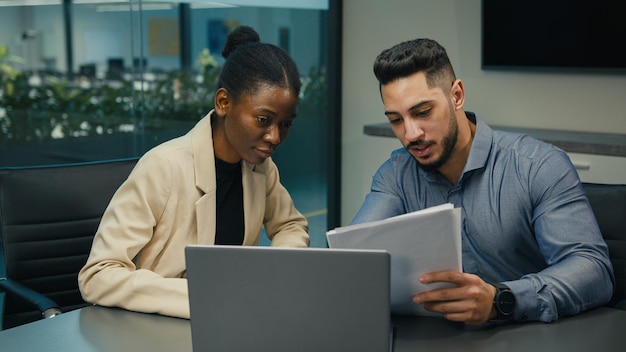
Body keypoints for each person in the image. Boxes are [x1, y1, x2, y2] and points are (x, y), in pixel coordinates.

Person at [352, 38, 614, 325]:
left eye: (423, 112)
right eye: (396, 120)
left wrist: (500, 300)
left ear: (457, 95)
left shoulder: (537, 165)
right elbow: (355, 258)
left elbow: (594, 271)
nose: (411, 133)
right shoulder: (395, 174)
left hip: (527, 335)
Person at [78, 26, 310, 319]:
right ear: (224, 102)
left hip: (235, 317)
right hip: (168, 323)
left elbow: (290, 226)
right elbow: (98, 275)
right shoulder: (163, 166)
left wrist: (271, 271)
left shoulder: (259, 165)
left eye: (286, 124)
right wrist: (203, 296)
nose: (275, 137)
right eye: (263, 119)